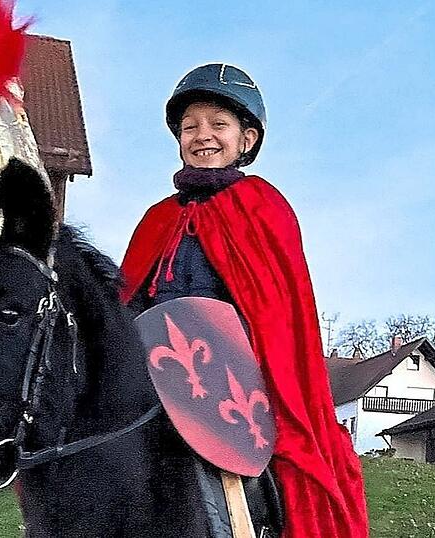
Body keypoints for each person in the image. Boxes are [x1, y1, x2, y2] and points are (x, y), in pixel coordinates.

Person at [120, 63, 369, 538]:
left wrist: (232, 378)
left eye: (218, 124)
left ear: (246, 139)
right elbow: (130, 300)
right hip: (153, 379)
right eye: (190, 126)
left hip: (235, 385)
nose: (202, 135)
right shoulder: (157, 218)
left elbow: (277, 318)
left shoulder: (263, 208)